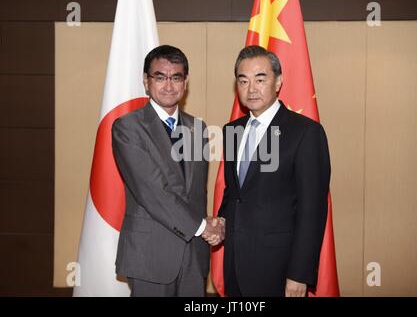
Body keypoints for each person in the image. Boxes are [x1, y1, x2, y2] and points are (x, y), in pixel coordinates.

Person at [111, 45, 224, 297]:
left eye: (176, 77)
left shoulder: (198, 128)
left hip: (194, 255)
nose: (169, 85)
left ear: (185, 82)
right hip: (151, 254)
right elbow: (152, 190)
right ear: (146, 81)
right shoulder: (128, 127)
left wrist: (214, 223)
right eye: (160, 77)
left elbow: (195, 192)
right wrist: (202, 227)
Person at [218, 45, 331, 297]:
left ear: (278, 81)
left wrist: (299, 273)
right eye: (243, 80)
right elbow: (235, 192)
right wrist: (222, 221)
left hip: (279, 270)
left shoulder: (305, 133)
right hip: (235, 264)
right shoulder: (232, 131)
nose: (251, 89)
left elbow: (312, 209)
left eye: (261, 79)